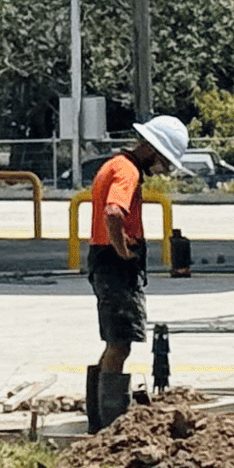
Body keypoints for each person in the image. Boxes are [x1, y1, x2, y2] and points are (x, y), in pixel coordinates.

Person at [80, 111, 189, 430]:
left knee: (114, 341)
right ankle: (110, 425)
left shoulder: (116, 164)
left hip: (106, 260)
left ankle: (98, 418)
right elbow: (114, 212)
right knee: (120, 344)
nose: (162, 170)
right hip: (114, 265)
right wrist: (122, 249)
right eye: (165, 162)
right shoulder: (127, 171)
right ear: (152, 150)